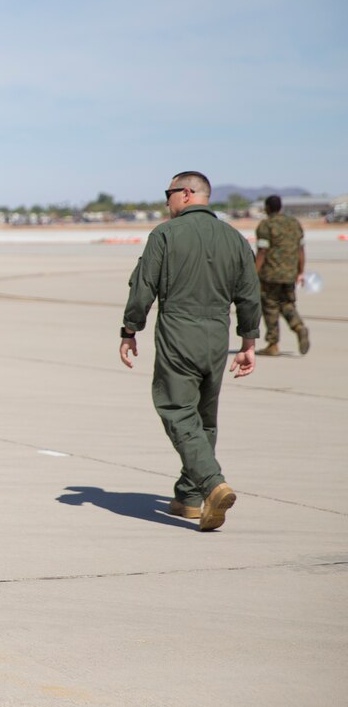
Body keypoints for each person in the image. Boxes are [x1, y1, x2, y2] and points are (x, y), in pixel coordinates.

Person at [119, 171, 261, 532]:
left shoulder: (165, 234)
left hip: (179, 333)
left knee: (176, 410)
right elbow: (248, 294)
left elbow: (143, 286)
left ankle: (212, 484)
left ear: (185, 193)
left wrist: (130, 329)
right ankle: (190, 497)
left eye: (168, 194)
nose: (166, 202)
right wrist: (248, 343)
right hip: (217, 336)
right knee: (204, 418)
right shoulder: (234, 239)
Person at [254, 195, 309, 356]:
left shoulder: (266, 225)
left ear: (267, 208)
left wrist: (253, 273)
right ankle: (298, 326)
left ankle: (273, 344)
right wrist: (300, 271)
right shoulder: (294, 223)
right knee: (287, 303)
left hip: (270, 274)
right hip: (290, 274)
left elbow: (262, 251)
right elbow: (301, 250)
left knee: (270, 306)